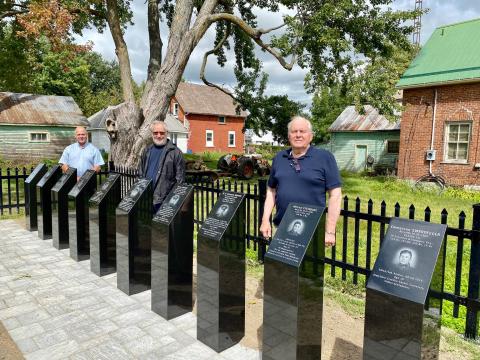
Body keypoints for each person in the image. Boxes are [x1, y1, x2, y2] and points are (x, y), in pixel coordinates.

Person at [260, 116, 342, 246]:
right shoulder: (279, 158)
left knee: (309, 267)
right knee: (280, 266)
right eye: (294, 131)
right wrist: (265, 220)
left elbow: (335, 195)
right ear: (288, 136)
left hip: (312, 230)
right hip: (281, 227)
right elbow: (271, 190)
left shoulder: (324, 158)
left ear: (311, 136)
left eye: (302, 131)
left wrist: (330, 231)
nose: (298, 135)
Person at [138, 120, 185, 212]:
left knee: (160, 226)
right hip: (146, 198)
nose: (159, 136)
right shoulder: (147, 150)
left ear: (166, 133)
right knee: (146, 225)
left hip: (164, 201)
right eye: (156, 133)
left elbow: (180, 180)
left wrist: (171, 201)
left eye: (162, 133)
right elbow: (140, 173)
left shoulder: (175, 152)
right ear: (152, 134)